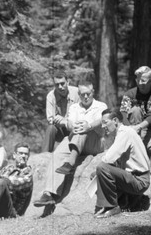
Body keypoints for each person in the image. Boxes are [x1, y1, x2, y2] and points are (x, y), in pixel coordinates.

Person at [33, 79, 107, 215]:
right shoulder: (74, 107)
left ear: (93, 92)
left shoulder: (101, 106)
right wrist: (73, 125)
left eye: (88, 94)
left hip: (94, 141)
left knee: (83, 128)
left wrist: (88, 125)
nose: (85, 97)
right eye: (82, 94)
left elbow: (101, 121)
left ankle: (71, 161)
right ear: (78, 94)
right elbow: (70, 123)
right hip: (77, 139)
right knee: (57, 154)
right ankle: (49, 193)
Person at [120, 66, 151, 197]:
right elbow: (123, 113)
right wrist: (131, 129)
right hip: (129, 129)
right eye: (138, 79)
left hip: (148, 131)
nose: (140, 83)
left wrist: (140, 128)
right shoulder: (129, 94)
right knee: (135, 110)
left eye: (144, 80)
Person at [94, 108, 151, 218]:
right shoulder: (121, 133)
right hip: (132, 177)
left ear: (115, 120)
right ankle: (117, 203)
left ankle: (112, 206)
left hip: (139, 180)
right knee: (97, 174)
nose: (102, 126)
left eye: (105, 122)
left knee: (102, 168)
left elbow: (108, 159)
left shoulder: (125, 132)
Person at [42, 72, 80, 152]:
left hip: (74, 128)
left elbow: (80, 116)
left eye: (62, 83)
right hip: (60, 129)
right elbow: (50, 120)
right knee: (50, 128)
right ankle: (45, 155)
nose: (60, 87)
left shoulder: (77, 93)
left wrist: (64, 120)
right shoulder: (51, 96)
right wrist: (62, 122)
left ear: (68, 82)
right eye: (57, 84)